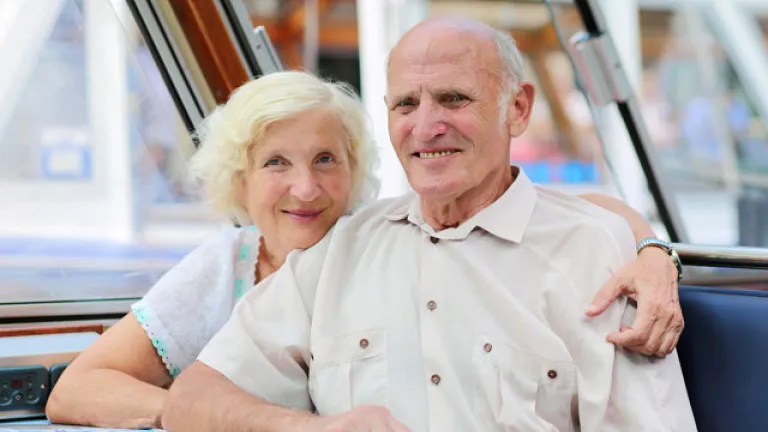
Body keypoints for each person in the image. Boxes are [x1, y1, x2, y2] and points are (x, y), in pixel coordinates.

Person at [162, 17, 695, 432]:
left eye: (452, 99)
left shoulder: (595, 253)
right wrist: (314, 428)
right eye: (406, 104)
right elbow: (192, 400)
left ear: (517, 108)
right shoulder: (338, 251)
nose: (425, 126)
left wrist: (653, 247)